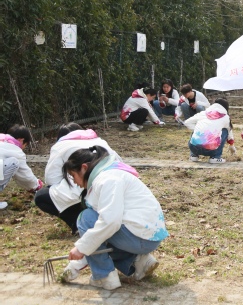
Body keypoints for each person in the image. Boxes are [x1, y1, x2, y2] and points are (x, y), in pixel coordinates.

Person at [62, 146, 168, 290]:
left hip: (140, 238)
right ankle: (138, 261)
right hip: (147, 236)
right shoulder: (111, 174)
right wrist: (80, 255)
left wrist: (81, 248)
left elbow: (110, 222)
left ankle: (104, 276)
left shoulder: (107, 179)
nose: (74, 182)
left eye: (73, 176)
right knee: (97, 236)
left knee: (86, 218)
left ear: (84, 168)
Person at [35, 123, 122, 234]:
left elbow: (51, 179)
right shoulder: (100, 141)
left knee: (41, 196)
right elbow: (120, 162)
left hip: (87, 190)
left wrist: (70, 177)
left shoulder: (60, 146)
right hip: (113, 188)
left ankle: (77, 222)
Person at [0, 125, 43, 210]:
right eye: (25, 145)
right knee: (13, 163)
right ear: (21, 140)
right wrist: (37, 185)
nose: (23, 148)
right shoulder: (15, 151)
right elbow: (25, 176)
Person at [184, 98, 235, 164]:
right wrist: (231, 144)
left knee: (198, 128)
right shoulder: (225, 117)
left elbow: (187, 122)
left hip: (194, 148)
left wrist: (198, 129)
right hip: (211, 149)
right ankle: (216, 157)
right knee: (225, 130)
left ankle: (193, 155)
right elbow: (229, 132)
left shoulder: (203, 113)